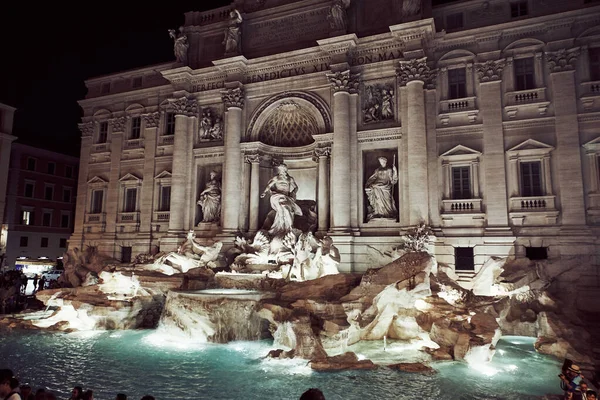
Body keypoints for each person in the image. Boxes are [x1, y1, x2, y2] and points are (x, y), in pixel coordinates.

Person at [261, 163, 303, 237]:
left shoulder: (290, 179)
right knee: (282, 208)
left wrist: (293, 194)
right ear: (279, 170)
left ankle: (288, 227)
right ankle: (281, 227)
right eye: (282, 170)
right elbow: (269, 186)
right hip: (277, 196)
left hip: (286, 197)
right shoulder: (276, 178)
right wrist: (264, 192)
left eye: (284, 170)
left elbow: (296, 187)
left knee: (287, 209)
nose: (283, 171)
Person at [364, 156, 398, 221]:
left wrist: (395, 171)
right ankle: (378, 213)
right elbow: (373, 178)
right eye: (380, 162)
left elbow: (393, 180)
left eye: (382, 162)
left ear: (385, 162)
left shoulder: (389, 170)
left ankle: (388, 214)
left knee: (387, 200)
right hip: (376, 185)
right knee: (377, 198)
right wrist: (368, 184)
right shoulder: (377, 170)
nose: (381, 163)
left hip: (386, 186)